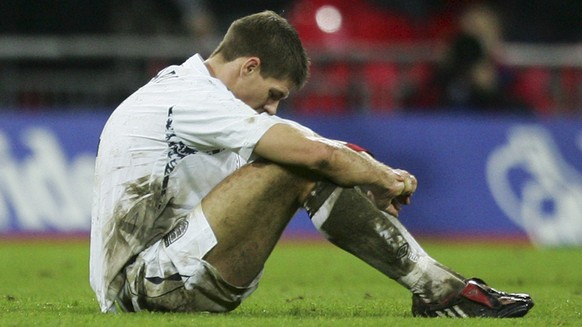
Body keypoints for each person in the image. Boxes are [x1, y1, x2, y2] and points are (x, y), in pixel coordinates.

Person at [89, 10, 534, 318]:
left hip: (166, 272)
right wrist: (382, 176)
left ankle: (440, 289)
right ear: (249, 67)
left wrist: (363, 168)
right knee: (299, 165)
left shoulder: (195, 93)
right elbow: (313, 152)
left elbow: (318, 147)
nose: (271, 109)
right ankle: (440, 291)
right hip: (145, 288)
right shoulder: (192, 98)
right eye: (274, 94)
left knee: (311, 159)